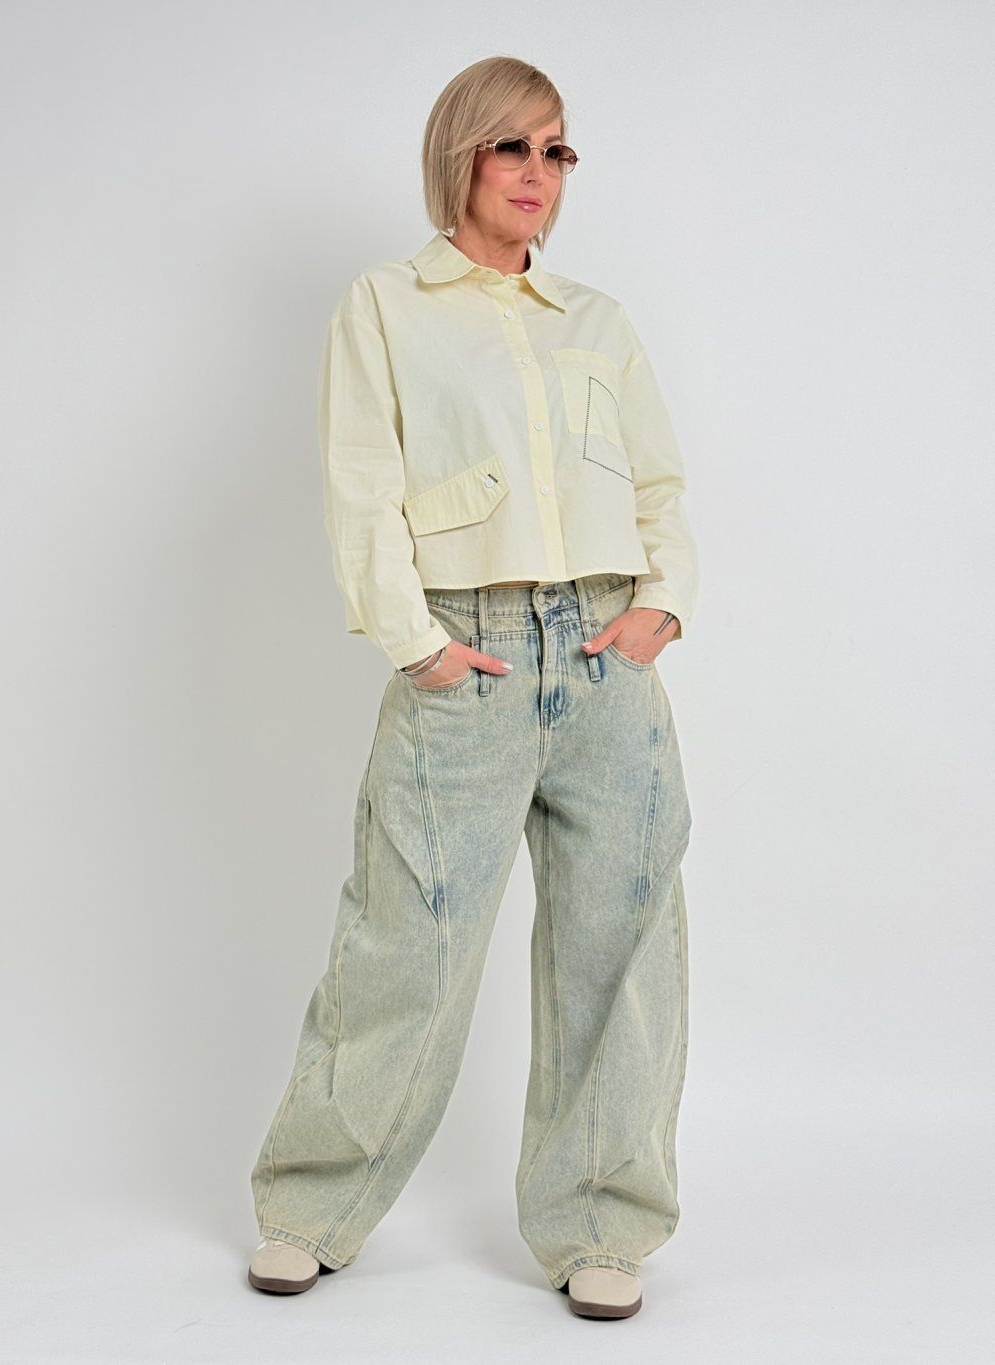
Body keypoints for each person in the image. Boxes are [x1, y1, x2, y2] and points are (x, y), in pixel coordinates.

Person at [247, 54, 697, 1321]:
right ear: (461, 155)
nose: (537, 172)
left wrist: (662, 605)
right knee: (407, 940)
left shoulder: (594, 320)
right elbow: (360, 485)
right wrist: (417, 643)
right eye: (512, 146)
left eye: (556, 151)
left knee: (622, 944)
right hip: (469, 653)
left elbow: (658, 485)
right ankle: (311, 1205)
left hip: (607, 653)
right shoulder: (387, 305)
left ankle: (602, 1222)